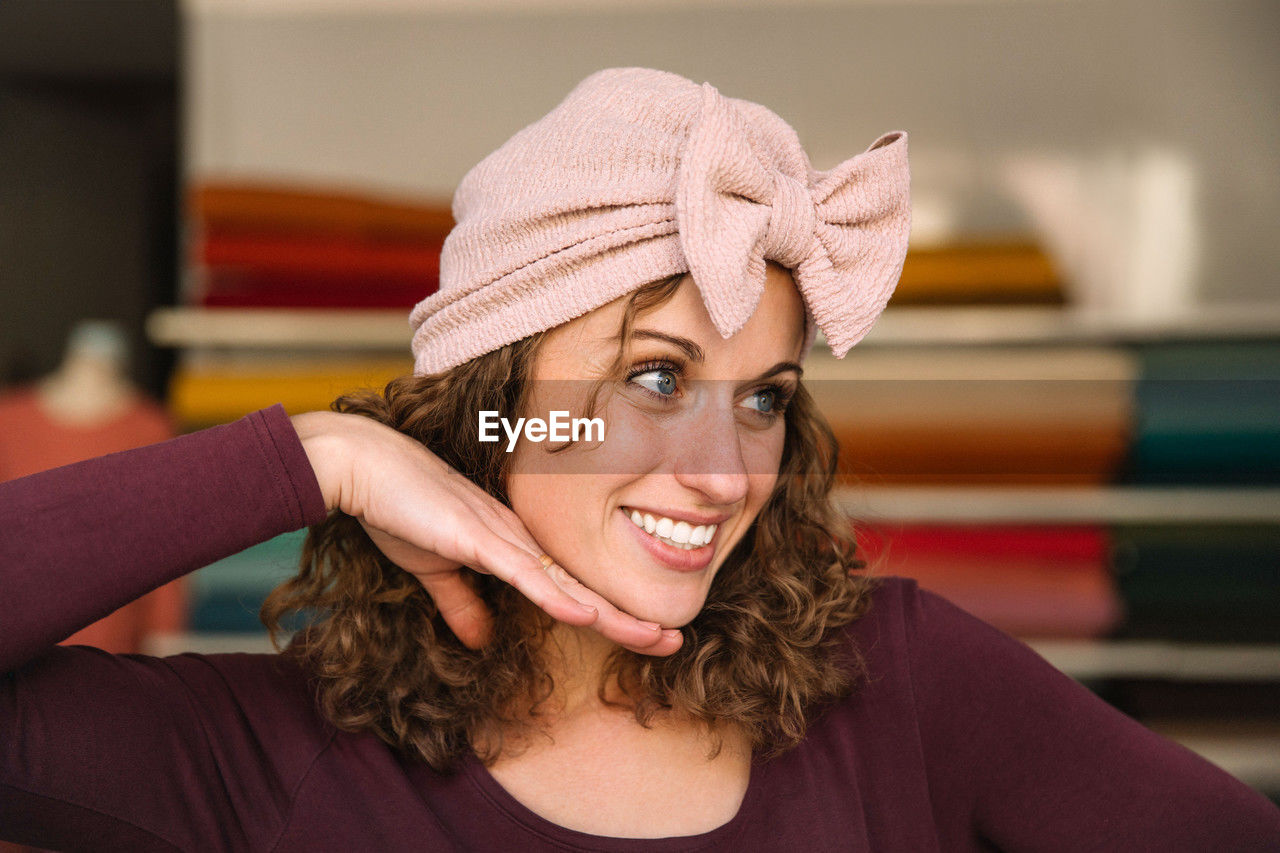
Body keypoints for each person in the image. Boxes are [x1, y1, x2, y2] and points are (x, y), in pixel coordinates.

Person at [2, 67, 1278, 852]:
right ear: (499, 404)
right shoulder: (259, 758)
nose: (723, 473)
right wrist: (314, 457)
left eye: (763, 399)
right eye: (654, 377)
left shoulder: (899, 682)